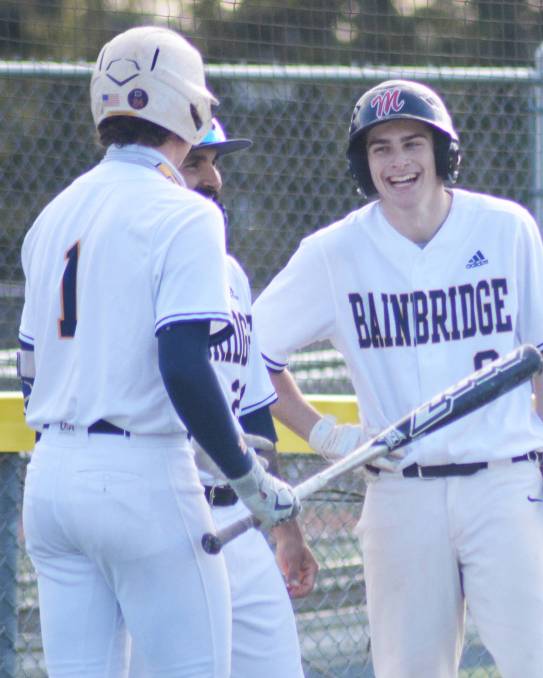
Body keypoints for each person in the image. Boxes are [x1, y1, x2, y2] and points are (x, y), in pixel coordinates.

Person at [251, 79, 543, 677]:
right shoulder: (336, 251)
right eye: (380, 149)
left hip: (504, 482)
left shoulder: (505, 226)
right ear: (363, 163)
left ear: (441, 153)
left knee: (540, 667)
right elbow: (250, 351)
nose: (398, 162)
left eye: (412, 144)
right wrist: (325, 434)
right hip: (403, 489)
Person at [18, 26, 298, 677]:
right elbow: (182, 364)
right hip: (142, 476)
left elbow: (30, 371)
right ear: (189, 107)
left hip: (54, 476)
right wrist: (248, 477)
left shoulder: (54, 213)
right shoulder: (187, 212)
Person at [128, 118, 317, 677]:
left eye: (215, 164)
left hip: (237, 514)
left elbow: (254, 410)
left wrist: (286, 532)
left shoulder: (231, 273)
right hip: (167, 511)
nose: (212, 179)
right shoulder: (143, 260)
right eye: (195, 163)